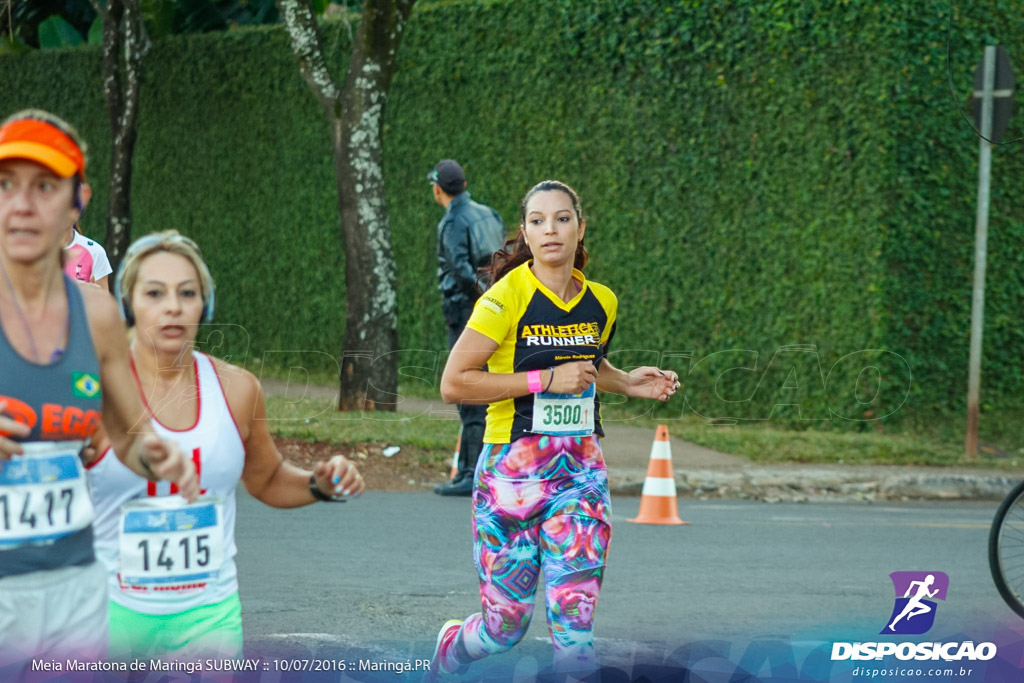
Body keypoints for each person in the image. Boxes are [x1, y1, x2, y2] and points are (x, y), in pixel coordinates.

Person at [429, 180, 680, 677]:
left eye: (562, 218)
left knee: (574, 627)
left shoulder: (602, 301)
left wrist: (628, 382)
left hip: (580, 476)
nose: (551, 230)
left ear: (580, 228)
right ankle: (453, 648)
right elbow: (455, 383)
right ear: (525, 232)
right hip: (510, 480)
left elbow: (590, 364)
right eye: (538, 221)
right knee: (505, 627)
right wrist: (545, 378)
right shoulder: (504, 299)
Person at [84, 230, 366, 660]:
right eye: (155, 293)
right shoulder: (90, 389)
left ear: (205, 304)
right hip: (107, 617)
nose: (173, 306)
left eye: (187, 292)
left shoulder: (236, 389)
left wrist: (319, 484)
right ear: (129, 304)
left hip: (208, 618)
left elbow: (266, 478)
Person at [0, 109, 198, 672]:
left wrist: (160, 456)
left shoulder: (97, 315)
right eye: (4, 184)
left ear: (75, 202)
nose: (22, 203)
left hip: (74, 588)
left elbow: (129, 433)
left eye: (44, 186)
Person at [428, 159, 505, 496]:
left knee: (466, 386)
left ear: (437, 188)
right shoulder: (488, 213)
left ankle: (471, 473)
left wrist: (484, 300)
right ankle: (475, 469)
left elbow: (460, 269)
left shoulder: (452, 222)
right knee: (484, 383)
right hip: (491, 305)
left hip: (465, 310)